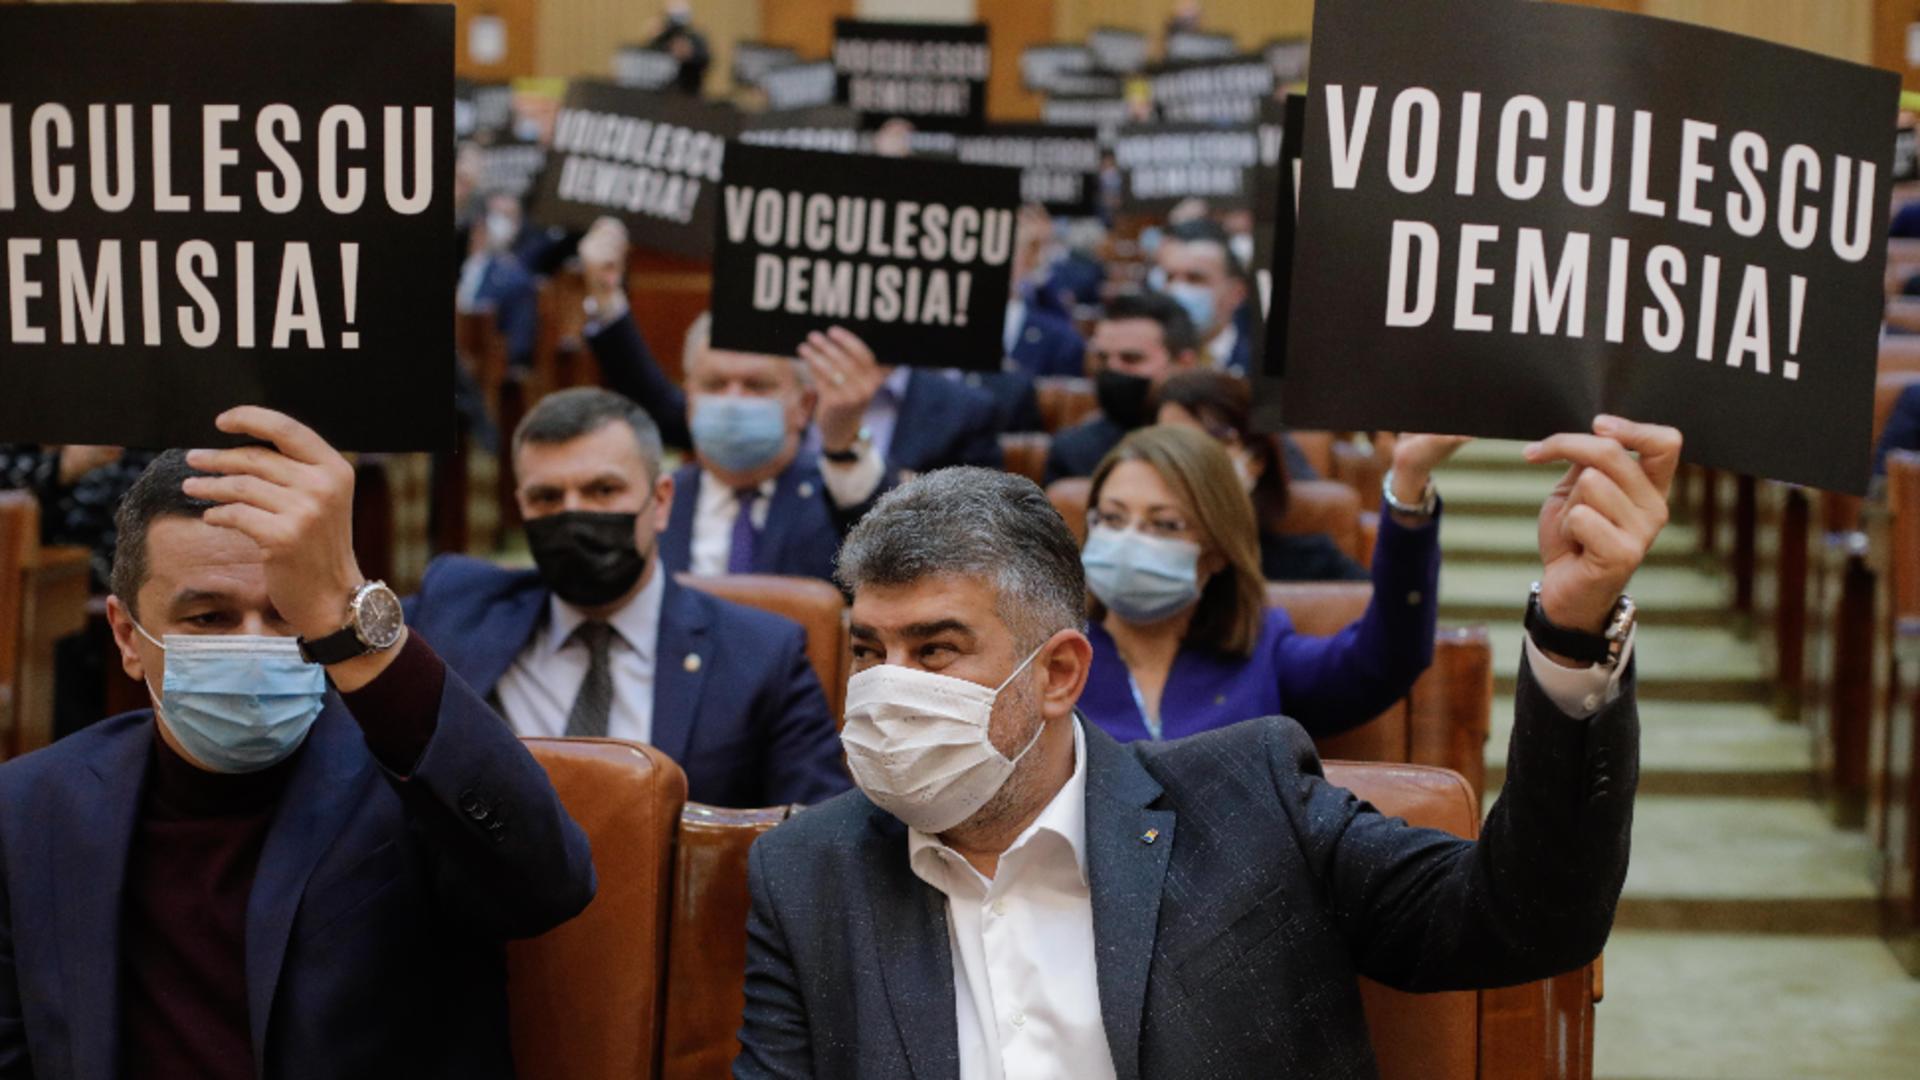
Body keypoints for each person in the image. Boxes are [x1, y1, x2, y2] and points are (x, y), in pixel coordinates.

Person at [736, 416, 1678, 1079]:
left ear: (1059, 675)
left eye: (935, 650)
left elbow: (1528, 919)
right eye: (869, 651)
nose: (890, 687)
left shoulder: (1249, 802)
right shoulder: (806, 872)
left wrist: (1573, 628)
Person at [0, 408, 596, 1078]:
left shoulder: (411, 779)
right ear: (128, 637)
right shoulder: (28, 809)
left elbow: (549, 884)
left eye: (286, 615)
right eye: (209, 618)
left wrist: (354, 618)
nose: (251, 642)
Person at [407, 388, 848, 808]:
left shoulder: (762, 655)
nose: (573, 515)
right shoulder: (457, 603)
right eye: (547, 497)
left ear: (659, 501)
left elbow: (816, 834)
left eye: (603, 491)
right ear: (521, 506)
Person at [1075, 425, 1460, 742]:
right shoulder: (1054, 658)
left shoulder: (1262, 654)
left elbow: (1385, 661)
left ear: (1217, 550)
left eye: (1165, 524)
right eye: (1111, 518)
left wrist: (1408, 483)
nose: (1129, 540)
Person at [578, 218, 1002, 482]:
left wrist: (848, 449)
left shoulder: (965, 412)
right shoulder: (779, 371)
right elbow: (670, 409)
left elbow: (973, 539)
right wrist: (606, 295)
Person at [1153, 370, 1366, 581]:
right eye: (1169, 443)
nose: (1185, 459)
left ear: (1256, 461)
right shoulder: (1132, 554)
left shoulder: (1312, 564)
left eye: (1211, 442)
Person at [1044, 290, 1201, 485]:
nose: (1113, 369)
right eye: (1102, 358)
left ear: (1184, 364)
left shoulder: (1217, 444)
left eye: (1131, 359)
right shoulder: (1073, 451)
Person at [1151, 218, 1253, 373]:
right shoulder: (1144, 360)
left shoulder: (1257, 363)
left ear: (1236, 293)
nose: (1177, 289)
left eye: (1195, 279)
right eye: (1169, 278)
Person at [454, 190, 539, 369]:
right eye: (496, 215)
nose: (501, 223)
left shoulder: (515, 280)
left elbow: (518, 347)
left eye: (508, 216)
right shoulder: (459, 265)